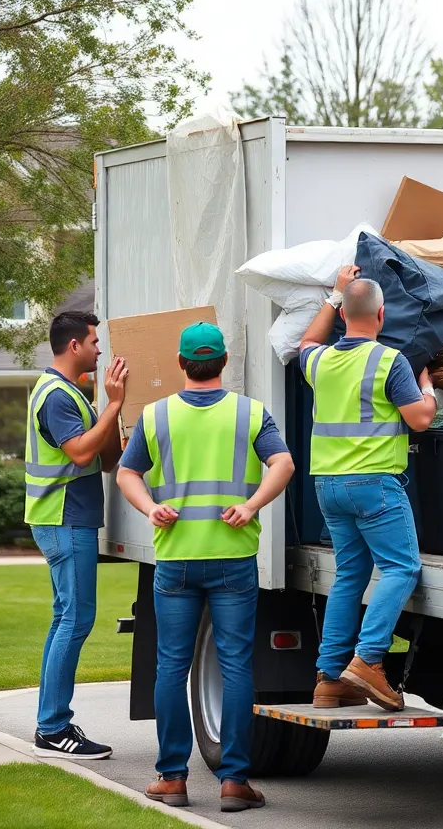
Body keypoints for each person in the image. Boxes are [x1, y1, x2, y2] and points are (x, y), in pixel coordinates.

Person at [117, 322, 294, 813]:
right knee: (235, 666)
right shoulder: (250, 413)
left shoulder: (156, 416)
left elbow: (126, 473)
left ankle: (172, 778)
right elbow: (284, 464)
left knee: (171, 667)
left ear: (180, 363)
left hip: (175, 560)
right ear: (225, 361)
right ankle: (235, 782)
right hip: (232, 559)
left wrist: (151, 508)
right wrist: (252, 504)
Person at [298, 266, 437, 712]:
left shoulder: (318, 361)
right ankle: (369, 660)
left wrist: (334, 295)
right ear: (381, 314)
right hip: (374, 484)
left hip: (329, 487)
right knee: (400, 569)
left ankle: (329, 678)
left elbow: (305, 342)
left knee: (349, 577)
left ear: (343, 315)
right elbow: (420, 420)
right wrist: (428, 390)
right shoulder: (388, 361)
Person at [26, 311, 127, 760]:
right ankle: (53, 728)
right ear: (74, 347)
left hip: (69, 519)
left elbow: (103, 460)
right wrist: (113, 405)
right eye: (93, 341)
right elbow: (82, 452)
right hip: (63, 520)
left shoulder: (71, 393)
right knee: (75, 619)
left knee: (65, 617)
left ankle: (50, 723)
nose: (99, 349)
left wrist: (114, 416)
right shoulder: (57, 396)